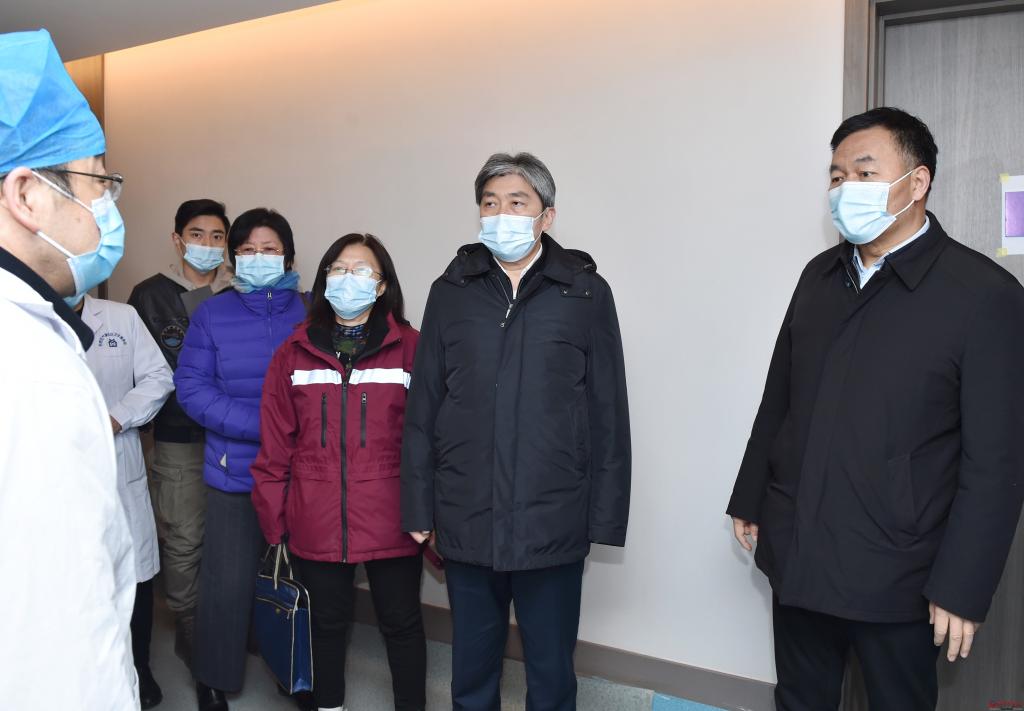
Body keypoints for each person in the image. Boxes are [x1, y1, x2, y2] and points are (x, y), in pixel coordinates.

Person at [727, 107, 1024, 711]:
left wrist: (963, 584)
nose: (845, 189)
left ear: (917, 182)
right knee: (800, 699)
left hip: (901, 571)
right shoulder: (819, 276)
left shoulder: (984, 296)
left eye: (864, 173)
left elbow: (997, 463)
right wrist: (751, 494)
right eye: (837, 177)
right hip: (801, 549)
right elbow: (779, 396)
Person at [401, 152, 631, 711]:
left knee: (551, 672)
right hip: (467, 512)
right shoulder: (451, 290)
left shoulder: (585, 293)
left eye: (517, 202)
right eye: (490, 203)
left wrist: (604, 516)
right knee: (471, 672)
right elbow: (424, 404)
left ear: (546, 216)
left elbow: (608, 410)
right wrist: (418, 506)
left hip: (552, 519)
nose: (501, 214)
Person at [0, 28, 138, 708]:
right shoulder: (30, 369)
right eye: (99, 182)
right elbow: (59, 638)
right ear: (27, 194)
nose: (109, 208)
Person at [253, 233, 428, 711]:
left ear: (382, 284)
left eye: (362, 270)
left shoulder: (411, 348)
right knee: (325, 625)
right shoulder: (293, 352)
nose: (349, 278)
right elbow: (275, 447)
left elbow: (429, 439)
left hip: (393, 515)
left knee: (402, 623)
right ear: (324, 278)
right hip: (316, 515)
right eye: (338, 269)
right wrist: (275, 523)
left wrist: (428, 512)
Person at [174, 207, 307, 711]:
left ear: (288, 256)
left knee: (300, 579)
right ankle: (213, 677)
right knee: (226, 582)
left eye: (270, 249)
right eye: (248, 249)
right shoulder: (212, 313)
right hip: (236, 471)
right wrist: (266, 425)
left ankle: (297, 673)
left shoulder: (313, 311)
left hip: (303, 472)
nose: (259, 257)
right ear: (233, 257)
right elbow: (192, 388)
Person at [128, 198, 233, 667]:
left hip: (234, 436)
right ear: (177, 239)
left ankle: (230, 620)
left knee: (232, 535)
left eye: (217, 236)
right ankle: (190, 626)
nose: (207, 244)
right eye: (196, 234)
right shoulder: (150, 295)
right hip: (179, 438)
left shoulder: (241, 290)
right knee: (185, 537)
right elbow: (144, 372)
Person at [76, 293, 175, 708]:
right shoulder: (19, 318)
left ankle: (139, 666)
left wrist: (115, 417)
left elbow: (158, 376)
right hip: (55, 463)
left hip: (118, 457)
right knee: (75, 573)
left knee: (135, 573)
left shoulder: (121, 317)